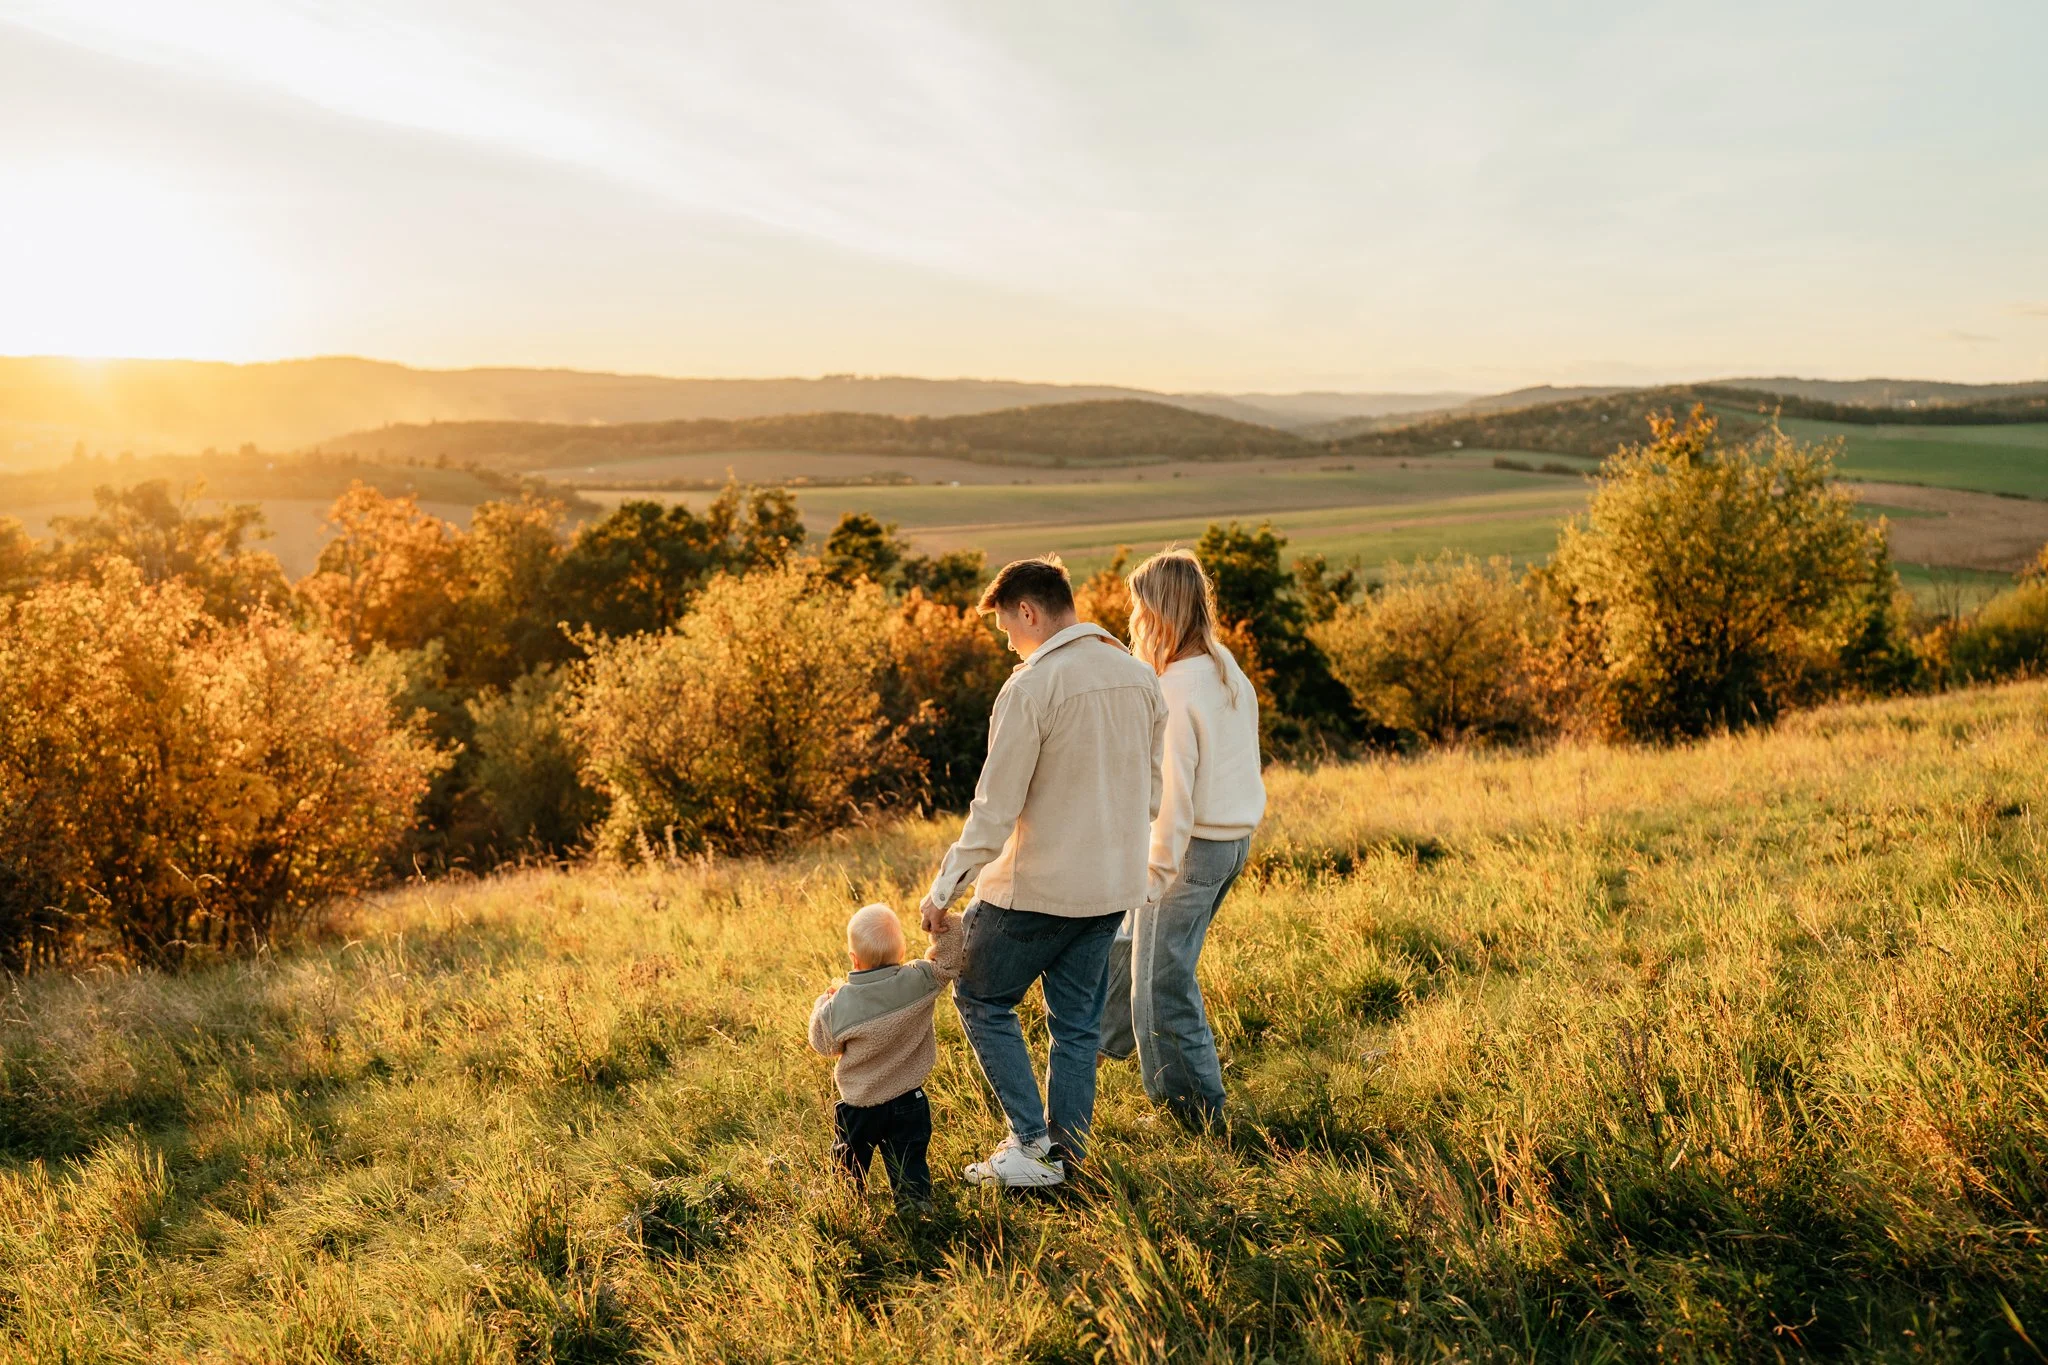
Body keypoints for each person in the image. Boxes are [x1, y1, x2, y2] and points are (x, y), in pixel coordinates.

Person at [920, 556, 1166, 1189]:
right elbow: (1152, 796)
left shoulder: (1032, 686)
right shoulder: (1141, 679)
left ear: (1028, 611)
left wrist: (945, 889)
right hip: (1111, 886)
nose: (1006, 639)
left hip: (1035, 891)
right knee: (1077, 1024)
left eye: (1005, 625)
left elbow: (994, 809)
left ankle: (1031, 1145)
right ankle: (1067, 1158)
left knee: (981, 997)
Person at [1100, 548, 1266, 1130]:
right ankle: (1099, 1046)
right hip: (1231, 842)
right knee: (1132, 951)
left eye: (1138, 609)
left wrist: (1153, 876)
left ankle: (1193, 1116)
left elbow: (1173, 801)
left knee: (1163, 986)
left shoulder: (1175, 688)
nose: (1133, 620)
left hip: (1192, 850)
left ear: (1159, 612)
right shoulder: (1223, 665)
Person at [807, 901, 963, 1210]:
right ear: (901, 953)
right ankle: (914, 1203)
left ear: (854, 959)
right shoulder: (918, 979)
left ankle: (847, 1203)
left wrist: (822, 1003)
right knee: (909, 1159)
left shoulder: (841, 1005)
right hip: (909, 1099)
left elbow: (823, 1045)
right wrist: (944, 925)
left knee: (849, 1160)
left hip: (860, 1105)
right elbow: (949, 961)